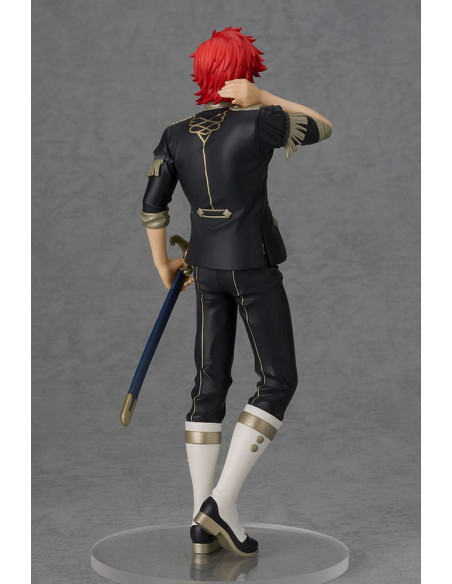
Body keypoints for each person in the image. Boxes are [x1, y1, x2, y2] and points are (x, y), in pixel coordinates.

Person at [141, 27, 333, 557]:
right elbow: (323, 126)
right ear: (244, 72)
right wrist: (263, 96)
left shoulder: (175, 133)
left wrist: (162, 264)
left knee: (209, 385)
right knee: (278, 379)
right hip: (252, 265)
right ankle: (220, 504)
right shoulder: (261, 121)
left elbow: (153, 205)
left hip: (202, 267)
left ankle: (201, 524)